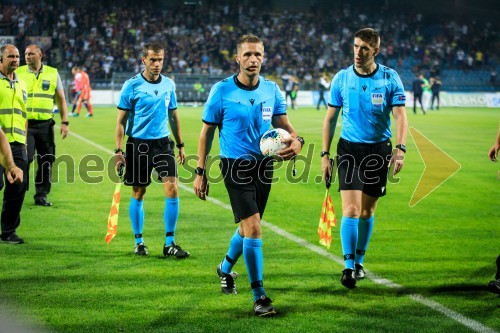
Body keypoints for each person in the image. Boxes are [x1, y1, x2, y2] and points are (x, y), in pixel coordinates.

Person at [193, 34, 304, 317]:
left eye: (257, 55)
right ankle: (260, 296)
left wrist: (298, 140)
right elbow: (206, 132)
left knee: (247, 228)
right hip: (234, 165)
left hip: (264, 165)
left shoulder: (272, 90)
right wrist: (200, 172)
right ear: (237, 59)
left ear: (263, 57)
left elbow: (285, 125)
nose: (253, 60)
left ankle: (225, 268)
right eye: (247, 55)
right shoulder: (221, 91)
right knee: (254, 227)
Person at [321, 28, 408, 289]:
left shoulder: (390, 78)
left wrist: (400, 149)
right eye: (356, 46)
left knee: (368, 211)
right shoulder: (342, 78)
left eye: (364, 49)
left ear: (376, 51)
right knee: (351, 210)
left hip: (379, 151)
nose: (358, 53)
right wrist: (325, 155)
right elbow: (330, 118)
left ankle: (359, 261)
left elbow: (401, 116)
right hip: (349, 150)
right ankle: (348, 266)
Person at [114, 42, 189, 258]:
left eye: (161, 60)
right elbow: (121, 121)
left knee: (172, 189)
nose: (157, 64)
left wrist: (181, 144)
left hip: (163, 143)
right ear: (143, 60)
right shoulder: (132, 85)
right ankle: (139, 242)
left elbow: (173, 116)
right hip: (138, 144)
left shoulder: (169, 85)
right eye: (153, 60)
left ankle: (169, 242)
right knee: (138, 192)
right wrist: (118, 151)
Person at [16, 44, 69, 207]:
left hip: (46, 125)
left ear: (40, 55)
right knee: (26, 159)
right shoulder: (18, 73)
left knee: (46, 160)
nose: (27, 56)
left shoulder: (53, 73)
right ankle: (19, 192)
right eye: (25, 54)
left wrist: (65, 121)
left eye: (31, 54)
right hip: (25, 125)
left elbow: (61, 99)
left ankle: (41, 195)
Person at [0, 44, 29, 244]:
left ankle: (8, 231)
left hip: (17, 143)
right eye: (11, 56)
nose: (16, 60)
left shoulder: (21, 84)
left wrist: (24, 142)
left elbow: (23, 115)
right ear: (1, 59)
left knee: (18, 188)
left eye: (17, 56)